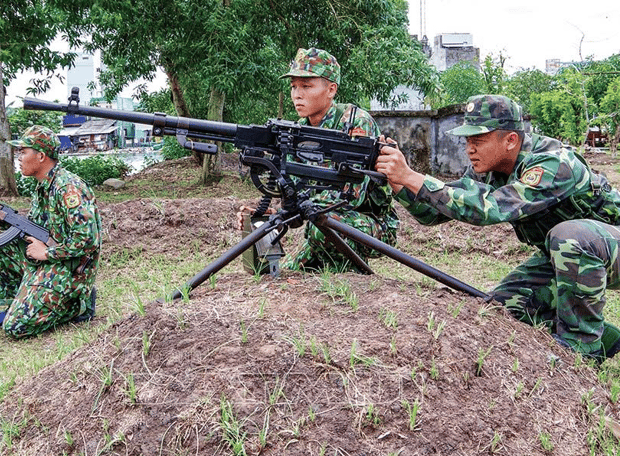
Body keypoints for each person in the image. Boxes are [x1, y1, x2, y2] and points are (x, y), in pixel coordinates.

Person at [375, 94, 620, 363]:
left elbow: (489, 208)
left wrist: (413, 176)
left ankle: (582, 350)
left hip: (605, 248)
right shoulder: (489, 169)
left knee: (571, 235)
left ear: (510, 140)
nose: (469, 149)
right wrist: (398, 182)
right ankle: (605, 337)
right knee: (502, 310)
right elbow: (433, 212)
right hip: (568, 257)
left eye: (478, 141)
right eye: (467, 141)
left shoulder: (553, 163)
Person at [239, 47, 399, 272]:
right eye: (294, 86)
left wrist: (293, 213)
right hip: (322, 221)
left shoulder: (355, 123)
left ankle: (347, 278)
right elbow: (297, 195)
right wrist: (272, 215)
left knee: (319, 228)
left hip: (370, 224)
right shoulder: (297, 132)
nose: (297, 94)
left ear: (331, 89)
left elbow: (351, 195)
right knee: (286, 272)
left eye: (306, 86)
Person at [0, 126, 101, 338]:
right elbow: (37, 229)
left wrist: (47, 253)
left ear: (41, 156)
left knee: (15, 328)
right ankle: (15, 303)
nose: (19, 157)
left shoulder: (68, 188)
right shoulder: (42, 186)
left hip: (70, 269)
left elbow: (88, 241)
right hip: (50, 262)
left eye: (23, 152)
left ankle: (77, 304)